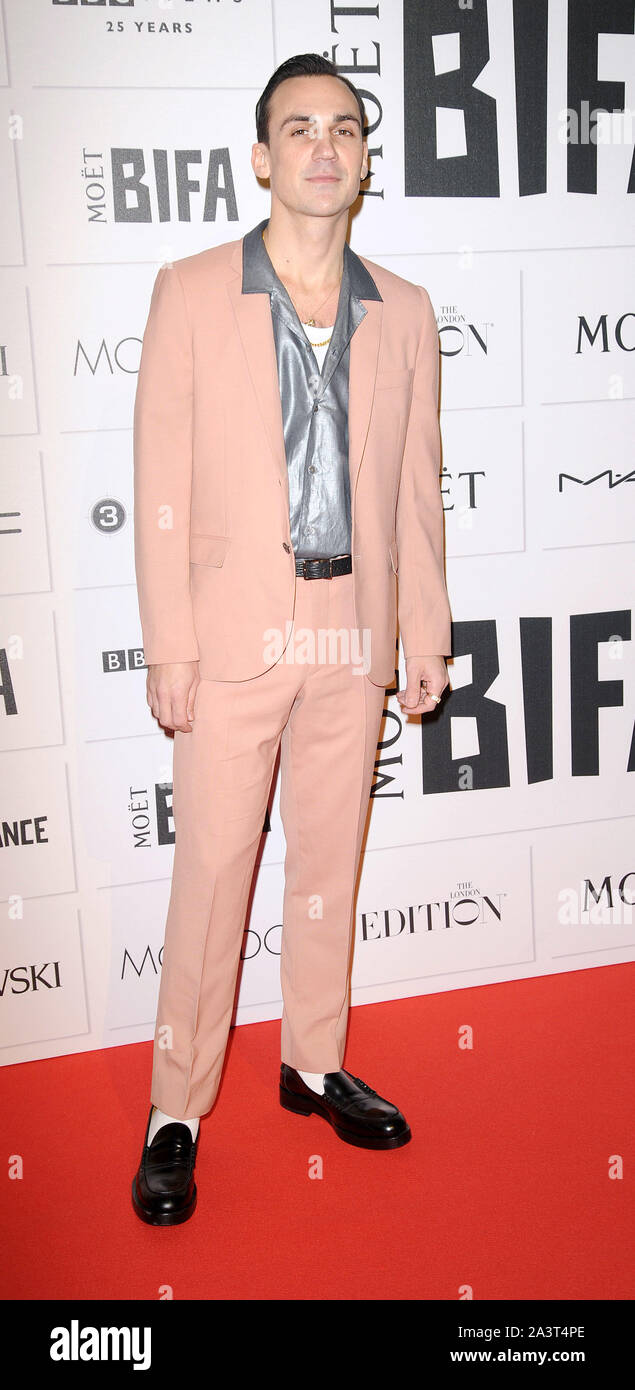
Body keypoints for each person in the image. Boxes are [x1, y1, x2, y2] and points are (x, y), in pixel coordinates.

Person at [131, 53, 452, 1225]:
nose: (323, 146)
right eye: (297, 129)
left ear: (363, 160)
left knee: (328, 868)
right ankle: (175, 1104)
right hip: (230, 640)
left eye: (344, 129)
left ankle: (311, 1063)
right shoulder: (189, 290)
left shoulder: (406, 311)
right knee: (212, 875)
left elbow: (414, 492)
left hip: (351, 634)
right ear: (262, 158)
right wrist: (169, 643)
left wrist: (423, 630)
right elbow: (158, 479)